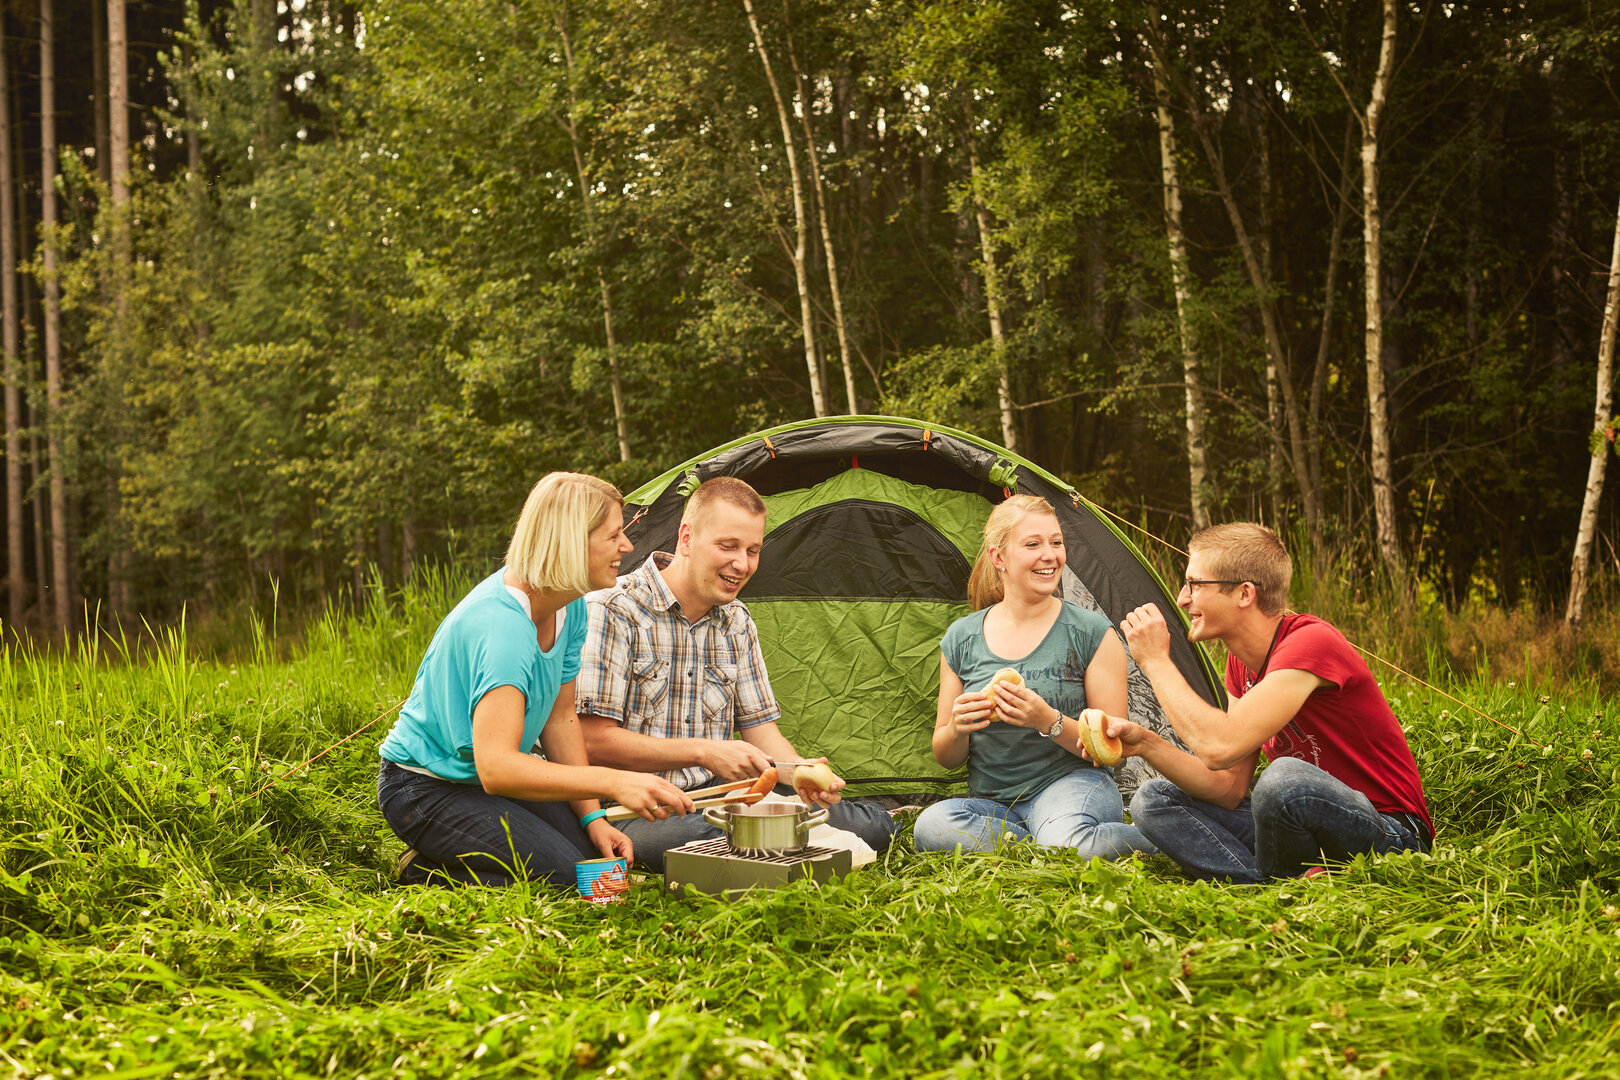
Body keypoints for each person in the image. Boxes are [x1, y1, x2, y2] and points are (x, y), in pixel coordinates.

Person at [377, 472, 696, 888]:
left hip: (486, 782)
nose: (627, 546)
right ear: (570, 541)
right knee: (572, 881)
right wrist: (614, 780)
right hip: (426, 789)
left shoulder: (569, 605)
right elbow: (497, 767)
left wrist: (593, 817)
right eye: (613, 535)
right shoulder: (504, 629)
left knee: (600, 872)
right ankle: (423, 870)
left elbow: (560, 719)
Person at [577, 476, 899, 872]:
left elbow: (762, 733)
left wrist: (796, 770)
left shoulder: (737, 622)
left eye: (752, 550)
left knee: (873, 828)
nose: (742, 565)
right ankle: (791, 840)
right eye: (727, 546)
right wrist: (704, 752)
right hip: (637, 808)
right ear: (687, 538)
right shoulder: (611, 610)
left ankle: (810, 832)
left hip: (726, 796)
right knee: (727, 835)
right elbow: (592, 741)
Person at [1109, 522, 1432, 883]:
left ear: (1244, 593)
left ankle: (1279, 881)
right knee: (1153, 798)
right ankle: (1265, 886)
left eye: (1195, 584)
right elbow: (1229, 787)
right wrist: (1147, 744)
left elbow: (1218, 747)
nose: (1183, 598)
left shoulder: (1311, 642)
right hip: (1300, 820)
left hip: (1390, 832)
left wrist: (1155, 661)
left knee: (1282, 780)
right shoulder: (1240, 664)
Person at [912, 495, 1156, 859]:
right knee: (931, 826)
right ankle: (1048, 843)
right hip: (995, 803)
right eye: (1033, 544)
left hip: (1073, 786)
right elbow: (946, 756)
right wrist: (957, 728)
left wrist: (1048, 721)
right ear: (999, 558)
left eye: (1056, 542)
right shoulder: (962, 638)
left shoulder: (1090, 632)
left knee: (1066, 843)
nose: (1050, 555)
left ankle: (1160, 838)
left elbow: (1112, 752)